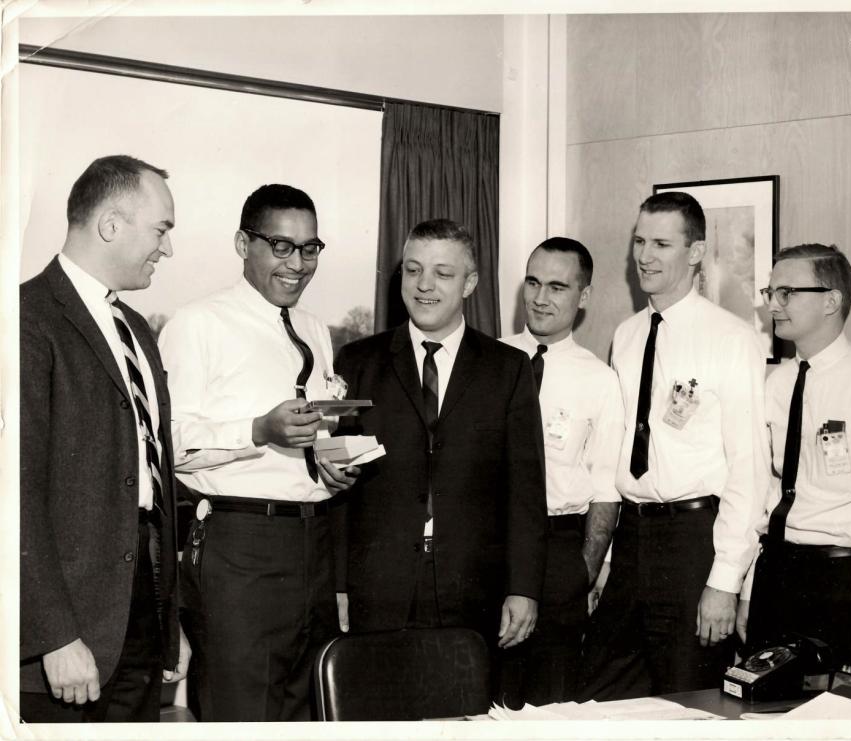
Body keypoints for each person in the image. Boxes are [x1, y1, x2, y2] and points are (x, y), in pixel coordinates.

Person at [157, 184, 357, 721]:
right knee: (243, 710)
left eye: (310, 248)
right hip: (240, 547)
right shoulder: (198, 323)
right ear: (244, 243)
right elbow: (170, 446)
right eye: (281, 246)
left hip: (312, 542)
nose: (298, 264)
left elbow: (304, 433)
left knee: (310, 709)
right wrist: (258, 431)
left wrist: (326, 464)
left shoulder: (315, 329)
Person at [332, 218, 548, 675]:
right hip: (378, 588)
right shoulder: (358, 362)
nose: (424, 285)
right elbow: (342, 489)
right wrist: (338, 585)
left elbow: (525, 492)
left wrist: (524, 588)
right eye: (413, 270)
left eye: (442, 273)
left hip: (472, 590)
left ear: (469, 283)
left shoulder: (508, 369)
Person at [578, 191, 769, 700]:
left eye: (662, 243)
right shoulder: (627, 334)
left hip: (693, 543)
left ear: (695, 253)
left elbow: (750, 471)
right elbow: (621, 449)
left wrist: (724, 581)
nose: (645, 256)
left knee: (689, 703)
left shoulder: (732, 339)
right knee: (602, 697)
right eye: (639, 241)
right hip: (634, 537)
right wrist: (614, 561)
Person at [20, 155, 189, 722]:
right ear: (111, 225)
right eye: (161, 230)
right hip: (63, 638)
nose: (166, 249)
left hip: (139, 614)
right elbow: (14, 494)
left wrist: (169, 624)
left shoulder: (137, 328)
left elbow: (150, 483)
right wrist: (55, 636)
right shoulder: (25, 318)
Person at [737, 244, 851, 678]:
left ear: (831, 300)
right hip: (778, 575)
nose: (773, 304)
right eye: (771, 292)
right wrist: (750, 589)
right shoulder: (776, 383)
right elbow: (768, 493)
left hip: (845, 581)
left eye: (787, 292)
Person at [497, 237, 625, 707]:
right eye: (532, 282)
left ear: (583, 296)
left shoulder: (599, 380)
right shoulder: (491, 359)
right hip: (494, 547)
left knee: (550, 702)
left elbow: (606, 488)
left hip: (559, 551)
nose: (540, 298)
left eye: (557, 286)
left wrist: (583, 574)